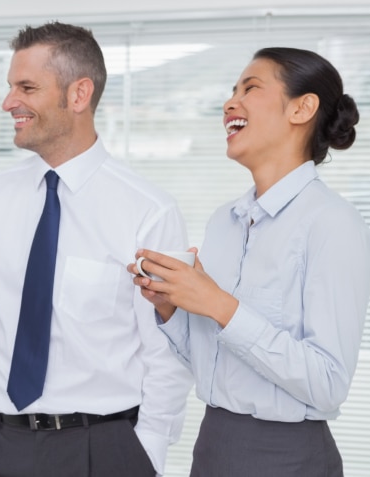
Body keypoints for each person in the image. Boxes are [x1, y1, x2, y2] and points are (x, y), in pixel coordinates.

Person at [0, 22, 192, 477]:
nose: (8, 102)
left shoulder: (148, 211)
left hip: (103, 448)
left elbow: (169, 349)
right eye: (9, 87)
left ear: (79, 95)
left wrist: (147, 450)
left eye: (27, 87)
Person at [131, 47, 370, 477]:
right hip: (212, 447)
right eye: (232, 91)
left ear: (302, 107)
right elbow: (213, 363)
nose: (230, 103)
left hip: (289, 457)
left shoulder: (333, 223)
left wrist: (219, 304)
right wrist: (171, 306)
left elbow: (329, 385)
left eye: (250, 88)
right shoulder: (226, 221)